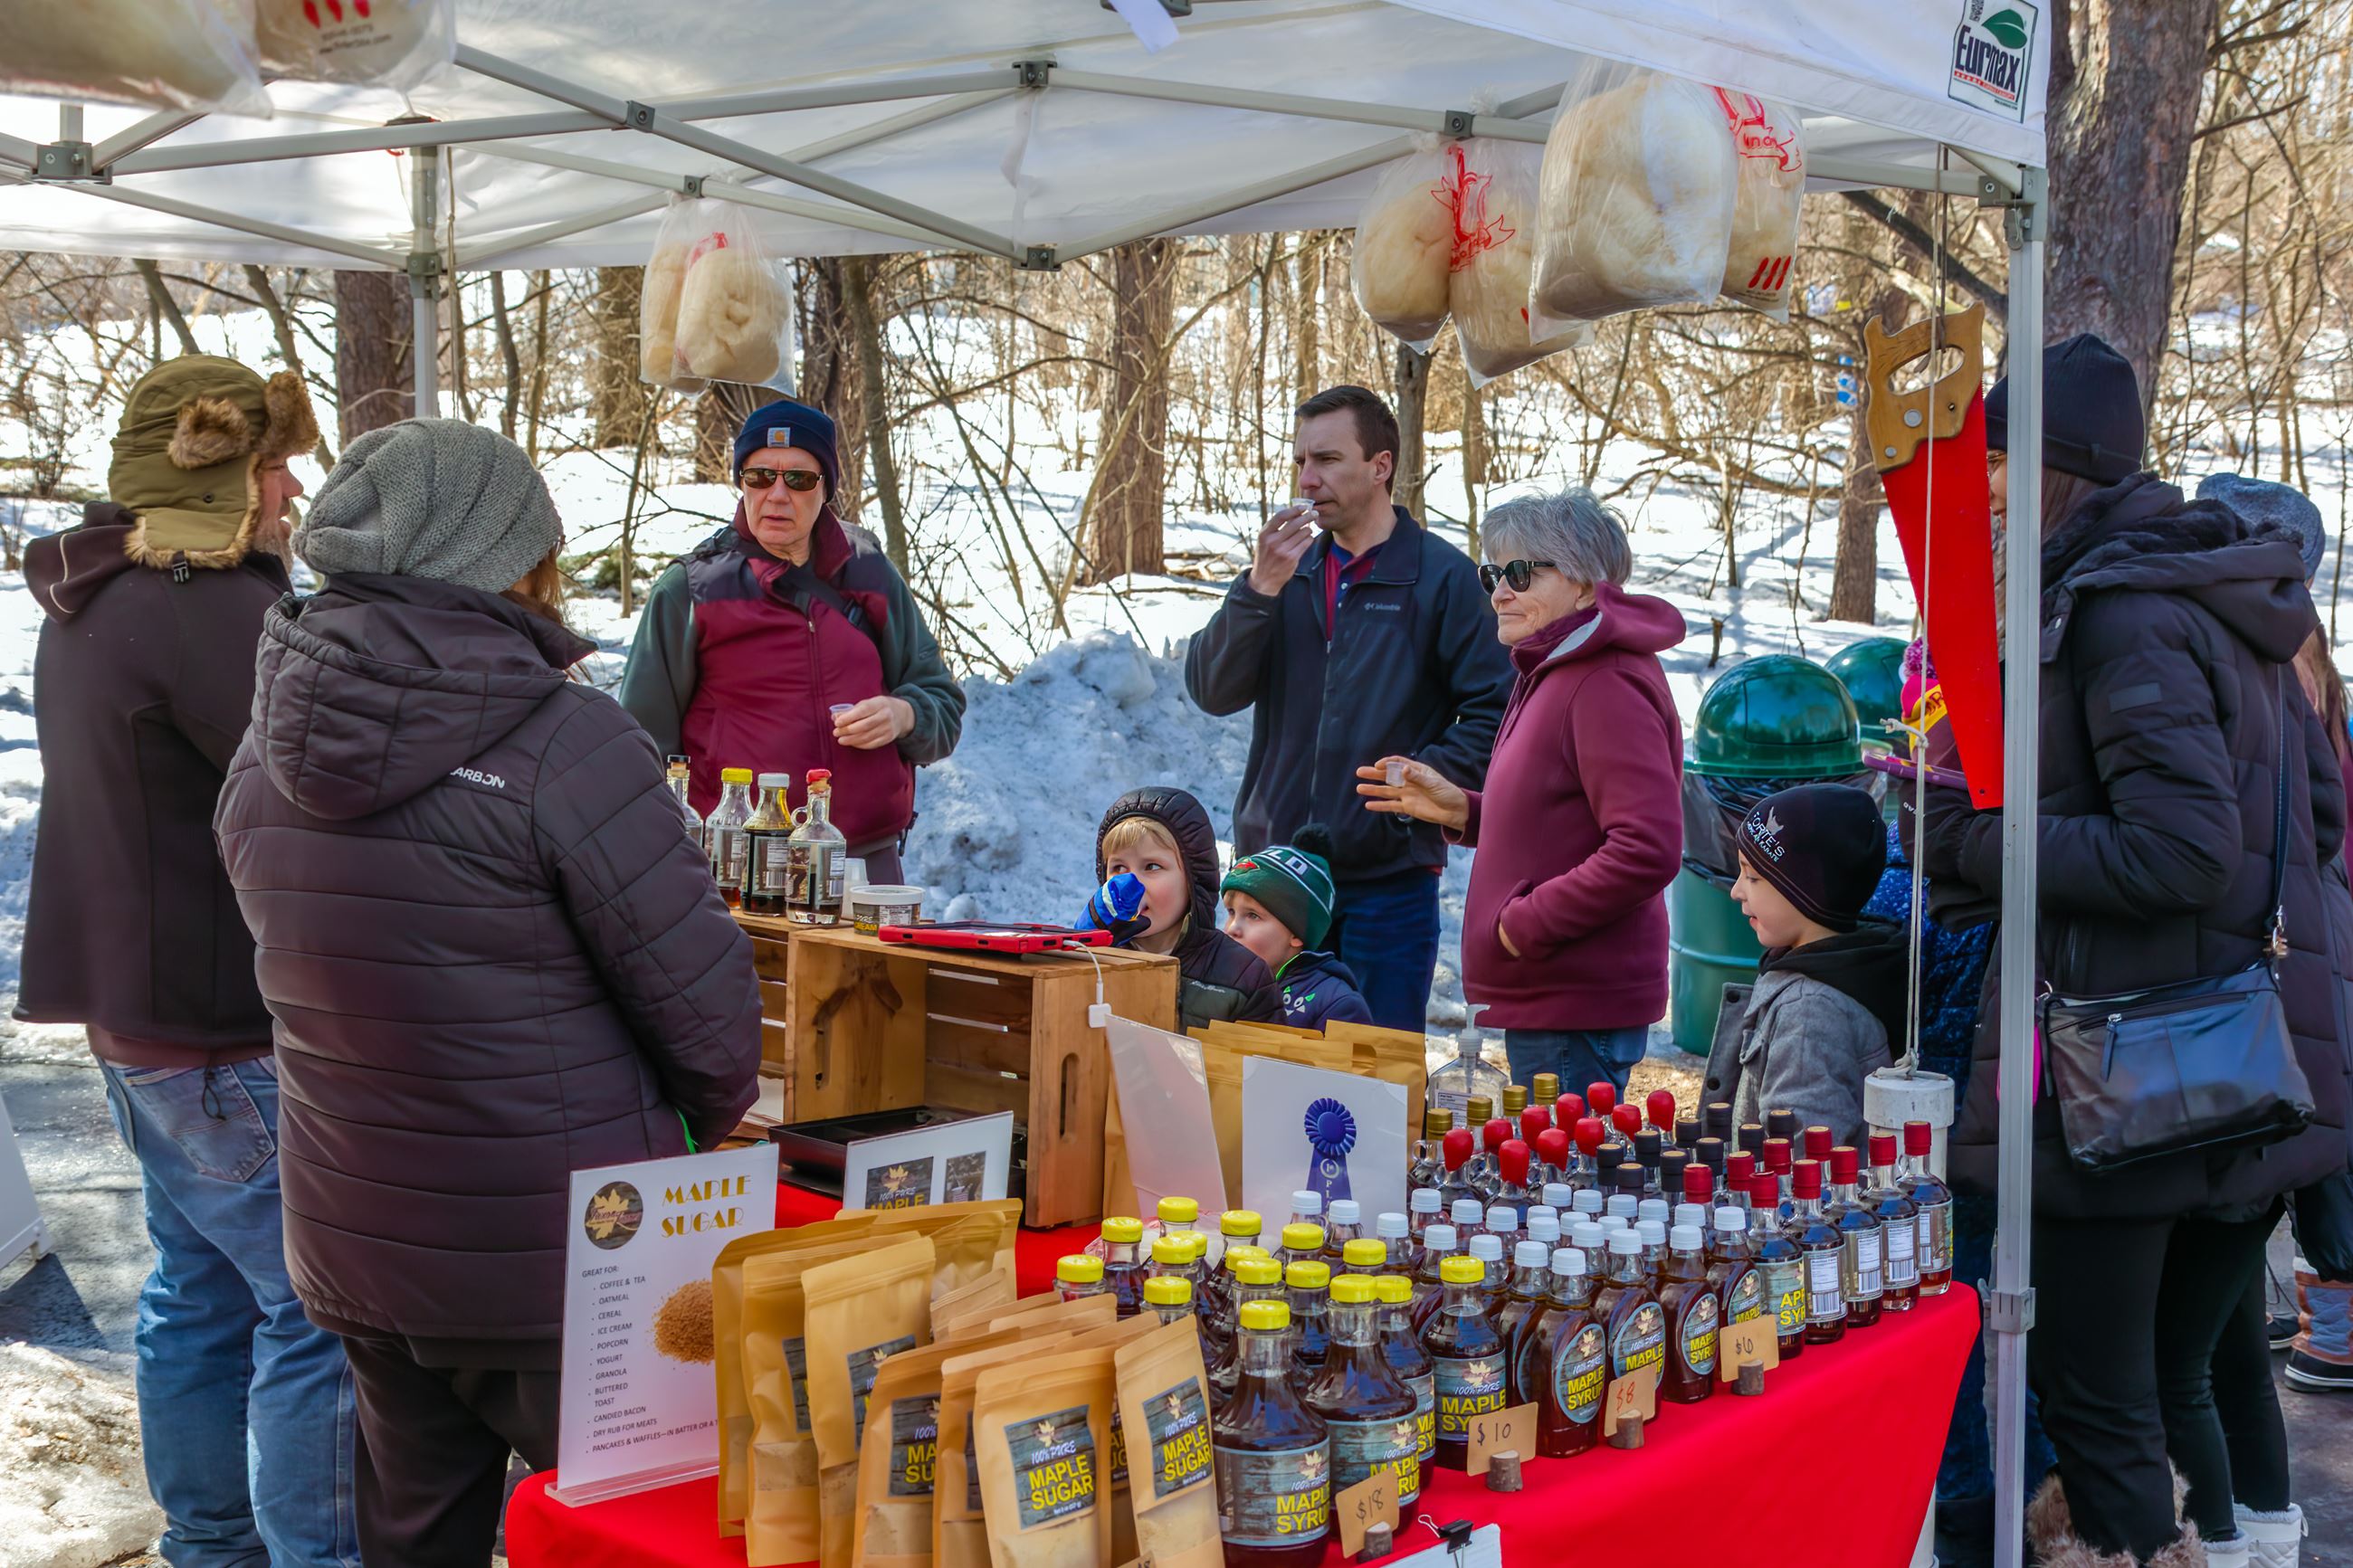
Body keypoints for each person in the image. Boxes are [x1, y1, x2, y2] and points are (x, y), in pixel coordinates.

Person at [214, 419, 763, 1567]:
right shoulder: (566, 739)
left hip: (366, 1240)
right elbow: (709, 1025)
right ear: (508, 558)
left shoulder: (266, 745)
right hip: (563, 1252)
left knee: (414, 1533)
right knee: (632, 1534)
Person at [1921, 335, 2353, 1568]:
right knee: (2152, 1395)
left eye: (1998, 463)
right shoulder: (2223, 601)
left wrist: (1977, 839)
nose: (1987, 493)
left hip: (2127, 1074)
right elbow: (2313, 824)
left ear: (2053, 466)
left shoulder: (2126, 610)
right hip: (2216, 1058)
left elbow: (2181, 852)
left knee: (2098, 1398)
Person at [16, 356, 361, 1568]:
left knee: (199, 1296)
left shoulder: (96, 590)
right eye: (274, 465)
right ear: (225, 471)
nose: (291, 490)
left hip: (140, 1014)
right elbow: (332, 780)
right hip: (220, 1021)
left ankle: (215, 1544)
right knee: (317, 1313)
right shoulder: (201, 605)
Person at [1185, 385, 1513, 1030]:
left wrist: (1421, 779)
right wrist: (1258, 590)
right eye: (1301, 460)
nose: (1308, 479)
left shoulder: (1441, 577)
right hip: (1274, 883)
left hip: (1386, 888)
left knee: (1375, 1089)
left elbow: (1498, 709)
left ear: (1380, 465)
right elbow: (1211, 689)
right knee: (1259, 1081)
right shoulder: (1284, 569)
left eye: (1328, 459)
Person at [1352, 489, 1683, 1098]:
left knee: (1564, 1188)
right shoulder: (1554, 670)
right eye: (1493, 573)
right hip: (1552, 1000)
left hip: (1574, 1002)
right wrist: (1463, 809)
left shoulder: (1603, 680)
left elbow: (1647, 846)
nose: (1500, 590)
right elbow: (1559, 818)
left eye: (1521, 573)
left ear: (1585, 587)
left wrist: (1523, 925)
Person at [621, 398, 964, 884]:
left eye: (798, 479)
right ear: (741, 482)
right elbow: (639, 751)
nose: (776, 495)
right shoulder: (690, 589)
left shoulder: (867, 569)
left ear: (825, 489)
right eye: (760, 477)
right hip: (736, 868)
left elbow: (943, 703)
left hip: (866, 866)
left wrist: (903, 715)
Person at [1702, 783, 1907, 1147]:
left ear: (1807, 893)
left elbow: (1801, 1166)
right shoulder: (1833, 973)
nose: (1735, 891)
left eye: (1753, 877)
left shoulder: (1809, 1012)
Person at [1083, 786, 1282, 1031]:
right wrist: (1084, 952)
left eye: (1152, 867)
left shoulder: (1244, 977)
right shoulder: (1093, 957)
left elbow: (1262, 1064)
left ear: (1192, 879)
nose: (1130, 885)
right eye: (1119, 869)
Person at [1218, 824, 1375, 1029]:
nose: (1232, 928)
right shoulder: (1213, 983)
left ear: (1297, 933)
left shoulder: (1337, 1006)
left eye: (1253, 916)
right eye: (1231, 912)